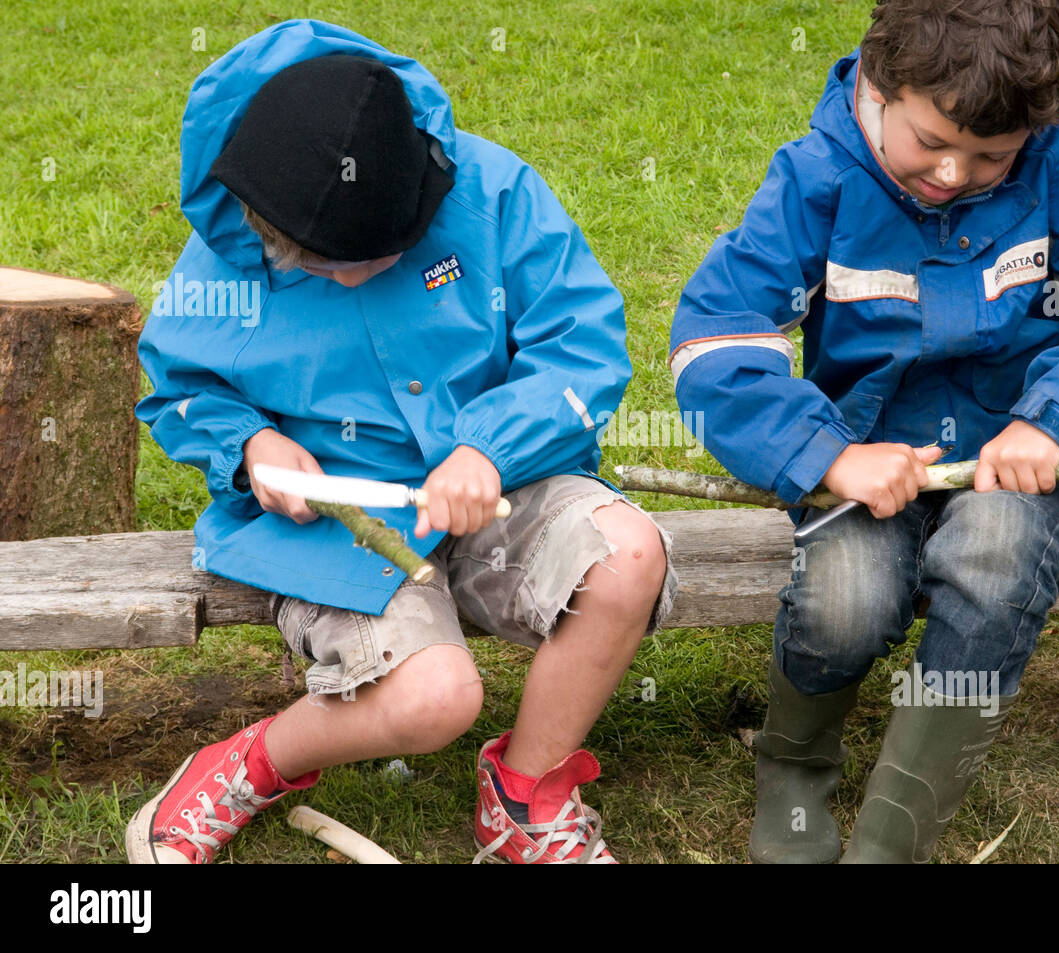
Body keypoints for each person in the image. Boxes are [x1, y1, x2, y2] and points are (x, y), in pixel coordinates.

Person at [128, 18, 676, 865]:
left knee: (630, 554)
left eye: (388, 255)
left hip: (508, 484)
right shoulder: (224, 258)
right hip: (336, 527)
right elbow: (179, 388)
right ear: (265, 223)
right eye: (327, 264)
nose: (356, 279)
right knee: (434, 699)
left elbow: (584, 344)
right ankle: (248, 763)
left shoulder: (493, 191)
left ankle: (526, 797)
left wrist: (490, 446)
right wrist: (251, 449)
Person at [670, 0, 1059, 863]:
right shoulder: (814, 177)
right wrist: (826, 454)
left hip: (1027, 464)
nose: (953, 173)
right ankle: (793, 765)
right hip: (870, 462)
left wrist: (1052, 424)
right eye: (931, 141)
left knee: (992, 555)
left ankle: (891, 841)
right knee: (848, 596)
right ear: (879, 79)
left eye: (992, 156)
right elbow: (715, 341)